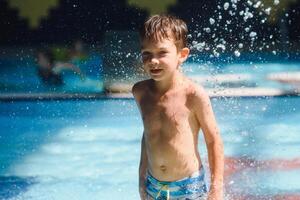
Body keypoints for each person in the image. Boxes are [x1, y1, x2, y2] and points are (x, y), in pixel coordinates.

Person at [132, 15, 224, 200]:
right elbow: (149, 133)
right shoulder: (140, 92)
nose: (153, 61)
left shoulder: (193, 95)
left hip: (188, 185)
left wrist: (216, 188)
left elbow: (213, 140)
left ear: (182, 55)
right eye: (146, 54)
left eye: (162, 53)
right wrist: (141, 176)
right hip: (153, 184)